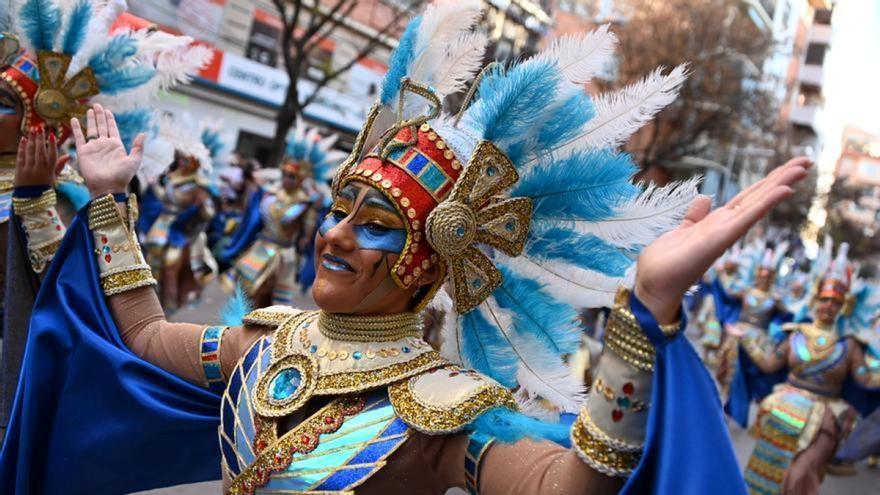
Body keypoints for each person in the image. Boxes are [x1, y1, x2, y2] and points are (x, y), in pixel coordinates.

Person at [0, 2, 811, 493]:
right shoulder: (264, 344)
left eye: (374, 222)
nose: (337, 230)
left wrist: (645, 313)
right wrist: (106, 200)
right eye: (341, 207)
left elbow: (569, 487)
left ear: (428, 257)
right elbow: (139, 338)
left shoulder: (443, 409)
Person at [0, 0, 210, 430]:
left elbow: (72, 294)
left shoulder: (69, 192)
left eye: (5, 103)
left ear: (36, 122)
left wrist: (34, 200)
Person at [742, 243, 880, 494]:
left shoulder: (849, 345)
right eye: (824, 299)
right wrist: (748, 338)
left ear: (843, 307)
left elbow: (866, 379)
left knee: (800, 475)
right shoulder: (795, 335)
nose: (828, 306)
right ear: (815, 299)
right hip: (783, 409)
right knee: (767, 473)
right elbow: (770, 363)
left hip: (825, 418)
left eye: (835, 302)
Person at [221, 120, 344, 306]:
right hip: (260, 247)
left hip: (282, 256)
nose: (286, 178)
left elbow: (307, 236)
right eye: (284, 173)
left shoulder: (305, 202)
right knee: (242, 292)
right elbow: (254, 220)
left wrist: (311, 211)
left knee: (268, 302)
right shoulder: (270, 194)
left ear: (302, 178)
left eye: (292, 176)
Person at [138, 115, 219, 310]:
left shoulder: (199, 185)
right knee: (148, 264)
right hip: (159, 229)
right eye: (180, 158)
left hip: (181, 233)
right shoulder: (172, 177)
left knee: (170, 266)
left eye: (186, 160)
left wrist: (203, 207)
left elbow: (209, 213)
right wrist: (153, 186)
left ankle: (168, 308)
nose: (182, 162)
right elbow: (165, 199)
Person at [722, 241, 793, 426]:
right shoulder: (746, 292)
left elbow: (789, 315)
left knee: (756, 377)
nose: (764, 279)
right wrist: (725, 270)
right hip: (737, 337)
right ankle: (728, 410)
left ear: (772, 277)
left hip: (760, 343)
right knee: (732, 374)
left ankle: (756, 413)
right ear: (756, 274)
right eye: (762, 275)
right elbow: (727, 290)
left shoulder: (775, 299)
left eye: (768, 276)